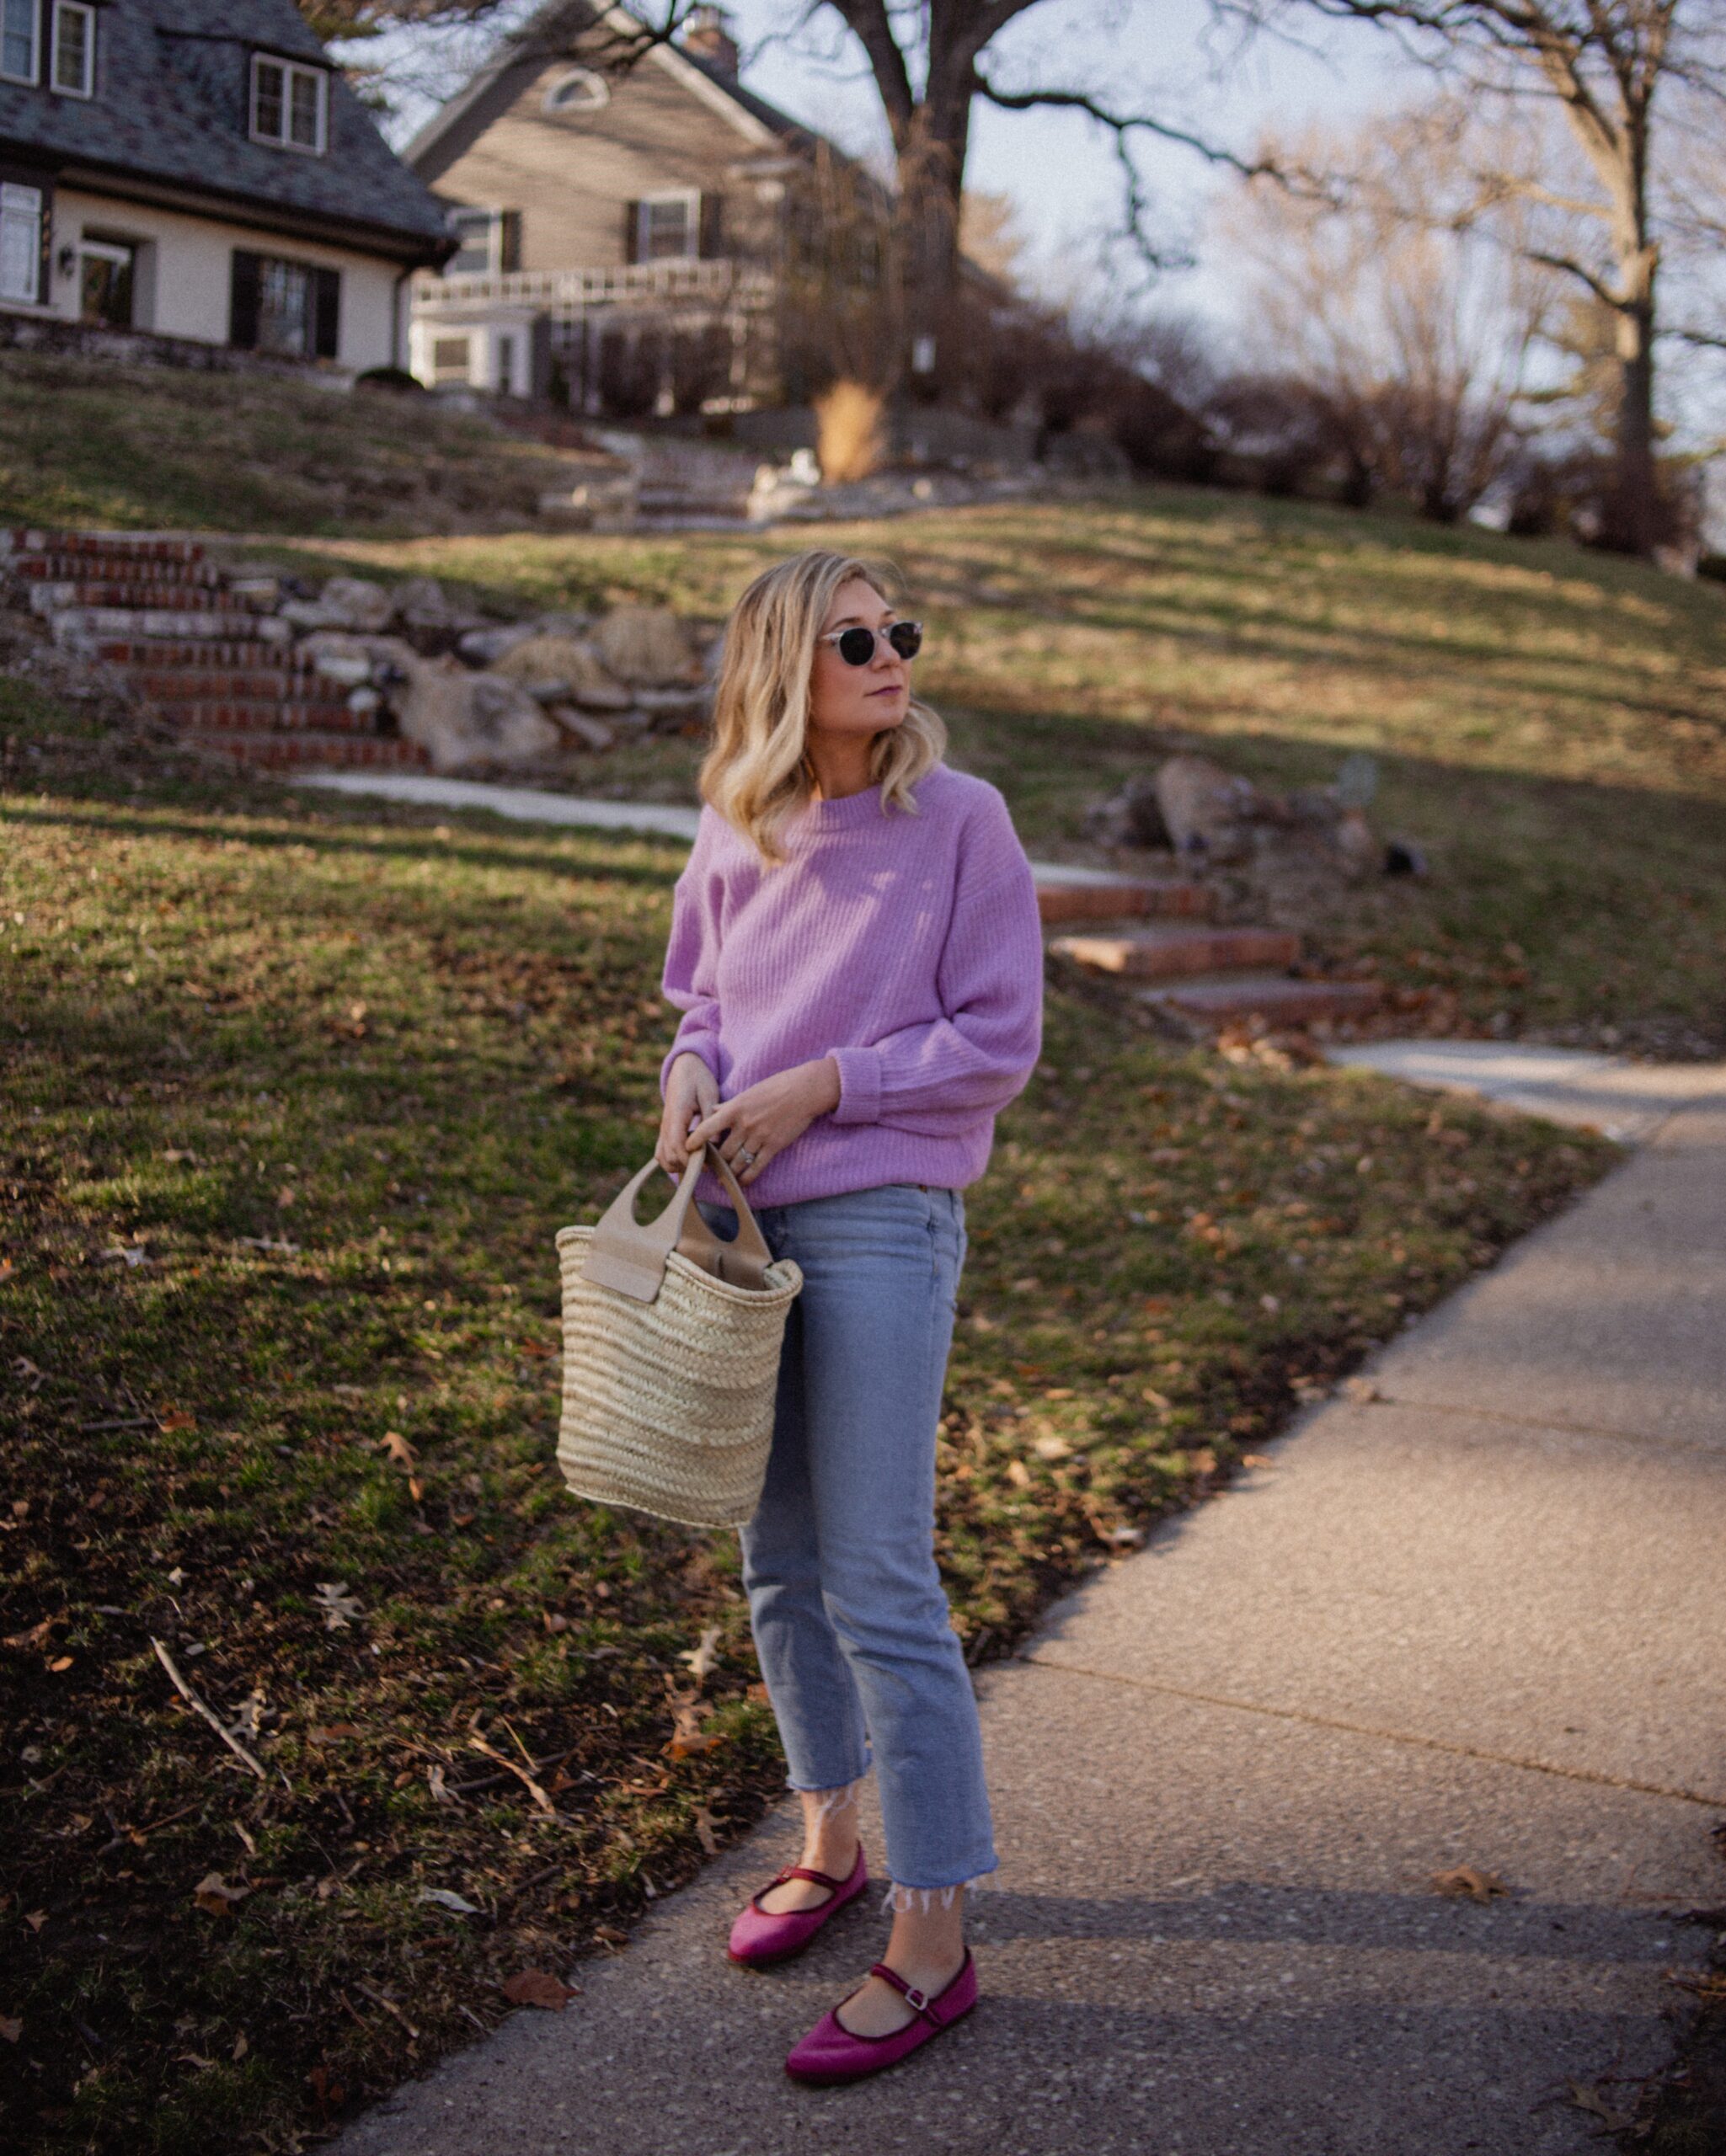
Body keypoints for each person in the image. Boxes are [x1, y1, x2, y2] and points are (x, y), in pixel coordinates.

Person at [655, 548, 1044, 2084]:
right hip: (743, 1224)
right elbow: (702, 1000)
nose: (891, 656)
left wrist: (831, 1082)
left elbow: (994, 1038)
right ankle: (831, 1843)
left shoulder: (959, 821)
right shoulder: (738, 819)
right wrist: (692, 1075)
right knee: (780, 1558)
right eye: (853, 638)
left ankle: (936, 1934)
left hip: (884, 1215)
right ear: (779, 669)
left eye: (901, 632)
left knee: (880, 1571)